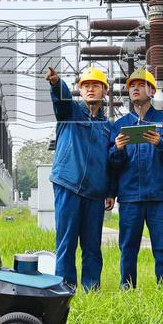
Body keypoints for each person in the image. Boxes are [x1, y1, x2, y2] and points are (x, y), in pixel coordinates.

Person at [109, 68, 163, 288]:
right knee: (128, 246)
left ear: (152, 91)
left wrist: (160, 143)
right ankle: (127, 288)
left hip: (159, 195)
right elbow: (112, 163)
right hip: (130, 196)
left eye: (141, 85)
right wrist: (117, 148)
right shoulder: (120, 125)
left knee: (162, 246)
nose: (135, 88)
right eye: (132, 85)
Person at [46, 65, 115, 292]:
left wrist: (110, 191)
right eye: (86, 86)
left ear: (104, 91)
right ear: (80, 90)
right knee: (66, 243)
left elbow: (112, 161)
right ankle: (64, 291)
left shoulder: (108, 127)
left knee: (92, 246)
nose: (90, 89)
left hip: (95, 192)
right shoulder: (71, 113)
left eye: (96, 85)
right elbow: (62, 100)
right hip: (69, 184)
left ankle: (91, 290)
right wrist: (57, 84)